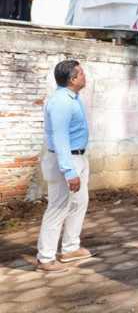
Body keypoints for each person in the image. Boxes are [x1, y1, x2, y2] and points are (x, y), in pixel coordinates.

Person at [36, 60, 93, 272]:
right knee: (58, 207)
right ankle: (45, 258)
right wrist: (69, 171)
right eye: (81, 73)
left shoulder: (73, 98)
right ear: (72, 79)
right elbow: (60, 138)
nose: (85, 76)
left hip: (78, 157)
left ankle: (70, 248)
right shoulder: (61, 102)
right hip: (65, 160)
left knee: (79, 203)